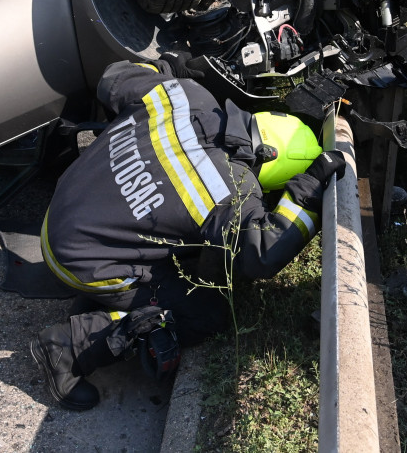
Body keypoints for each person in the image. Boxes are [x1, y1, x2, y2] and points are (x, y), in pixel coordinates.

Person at [29, 58, 345, 411]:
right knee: (205, 314)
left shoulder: (184, 94)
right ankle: (71, 346)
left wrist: (173, 65)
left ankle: (105, 287)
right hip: (74, 257)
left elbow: (112, 75)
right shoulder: (227, 192)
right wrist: (307, 193)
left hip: (62, 209)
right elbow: (264, 252)